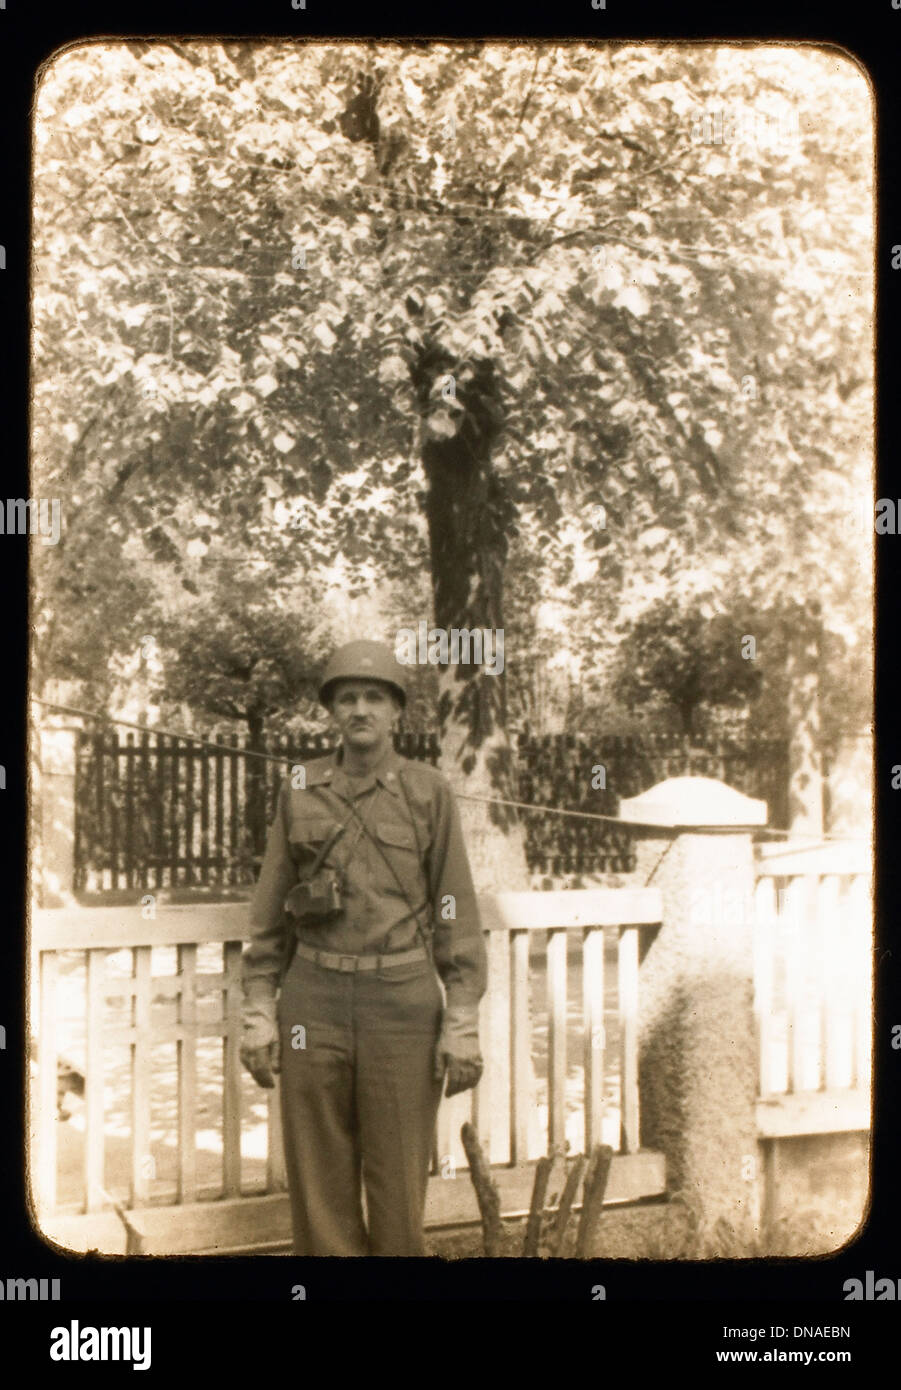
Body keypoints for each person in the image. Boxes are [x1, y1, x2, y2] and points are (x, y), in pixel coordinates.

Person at [240, 639, 487, 1256]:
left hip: (401, 1003)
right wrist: (257, 1012)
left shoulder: (428, 791)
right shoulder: (300, 789)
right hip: (313, 1000)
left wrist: (461, 1020)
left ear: (397, 712)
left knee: (400, 1183)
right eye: (346, 697)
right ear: (331, 712)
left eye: (374, 697)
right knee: (318, 1184)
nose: (360, 708)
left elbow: (454, 908)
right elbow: (270, 915)